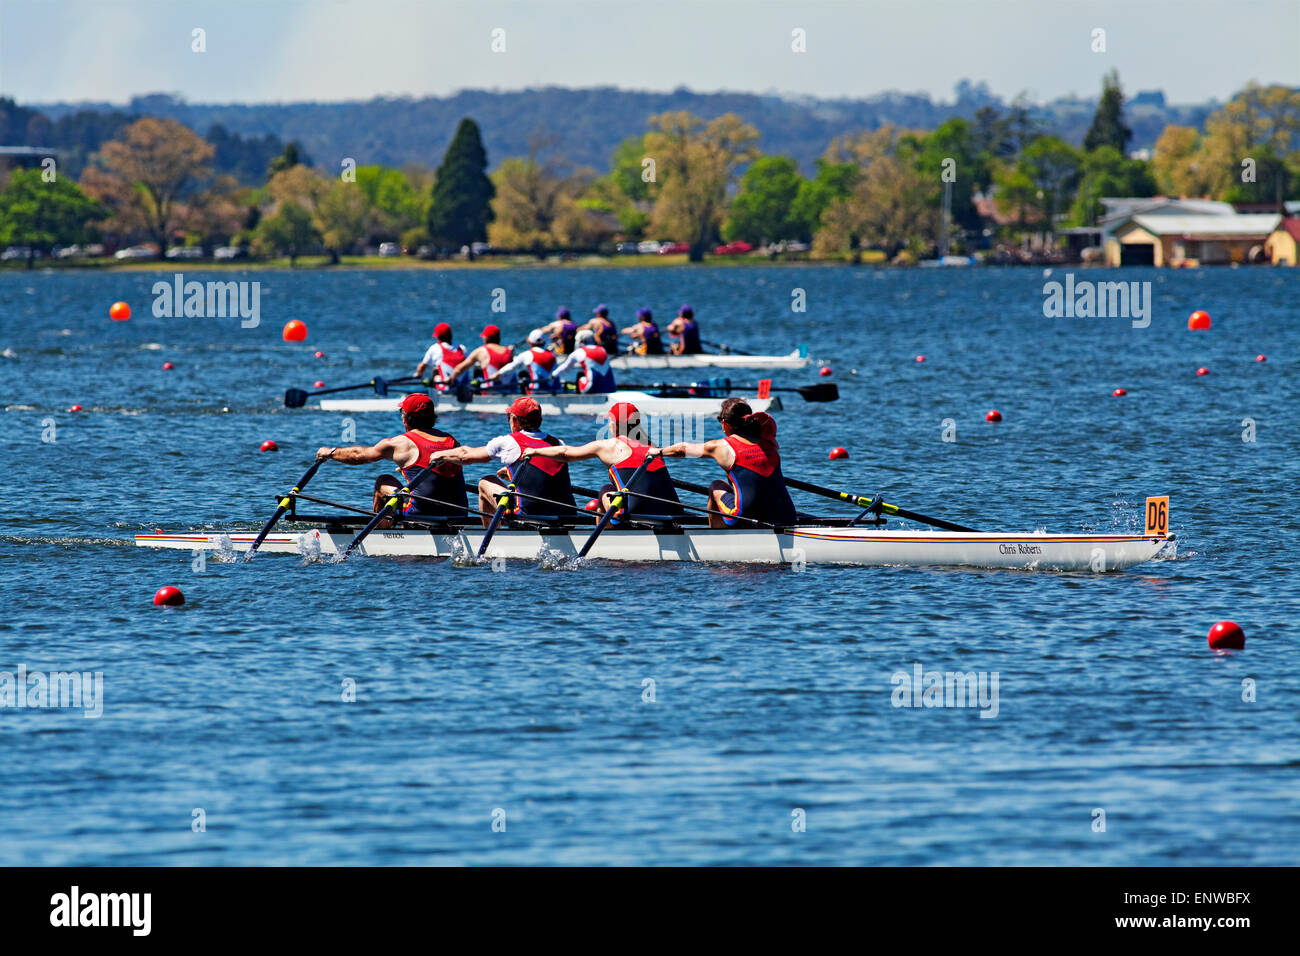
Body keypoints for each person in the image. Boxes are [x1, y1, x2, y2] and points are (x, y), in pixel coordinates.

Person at [315, 392, 467, 522]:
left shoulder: (400, 443)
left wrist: (330, 452)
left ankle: (382, 533)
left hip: (420, 514)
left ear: (405, 419)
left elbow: (357, 456)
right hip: (459, 514)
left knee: (383, 482)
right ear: (433, 417)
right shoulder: (452, 441)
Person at [522, 402, 681, 521]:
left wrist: (535, 451)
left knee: (606, 490)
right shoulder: (652, 447)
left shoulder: (608, 446)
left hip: (637, 513)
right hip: (674, 511)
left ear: (614, 424)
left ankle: (606, 539)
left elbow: (566, 454)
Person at [428, 396, 575, 526]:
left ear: (514, 421)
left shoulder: (508, 442)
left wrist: (440, 455)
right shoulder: (558, 443)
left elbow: (465, 456)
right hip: (567, 517)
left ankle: (494, 537)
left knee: (486, 481)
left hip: (528, 517)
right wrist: (512, 473)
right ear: (540, 420)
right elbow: (541, 477)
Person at [655, 397, 796, 528]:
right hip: (787, 515)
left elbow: (682, 449)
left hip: (745, 517)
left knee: (716, 486)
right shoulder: (769, 444)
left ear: (725, 423)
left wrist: (657, 451)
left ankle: (716, 538)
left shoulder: (721, 447)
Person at [447, 324, 516, 391]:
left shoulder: (481, 351)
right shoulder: (509, 351)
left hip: (490, 392)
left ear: (486, 338)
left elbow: (460, 369)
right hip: (511, 390)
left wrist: (450, 378)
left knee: (477, 376)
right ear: (499, 338)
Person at [488, 329, 558, 392]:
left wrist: (498, 374)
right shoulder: (552, 354)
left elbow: (512, 366)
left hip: (536, 392)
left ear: (530, 342)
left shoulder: (527, 354)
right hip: (556, 390)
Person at [551, 328, 615, 394]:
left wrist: (553, 375)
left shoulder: (579, 352)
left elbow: (566, 367)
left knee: (581, 376)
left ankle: (579, 397)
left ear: (580, 340)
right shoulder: (603, 350)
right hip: (610, 387)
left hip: (591, 388)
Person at [415, 321, 468, 389]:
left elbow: (422, 367)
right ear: (451, 335)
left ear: (438, 337)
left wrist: (418, 374)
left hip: (445, 388)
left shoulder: (435, 348)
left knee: (436, 371)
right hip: (463, 388)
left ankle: (434, 391)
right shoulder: (462, 348)